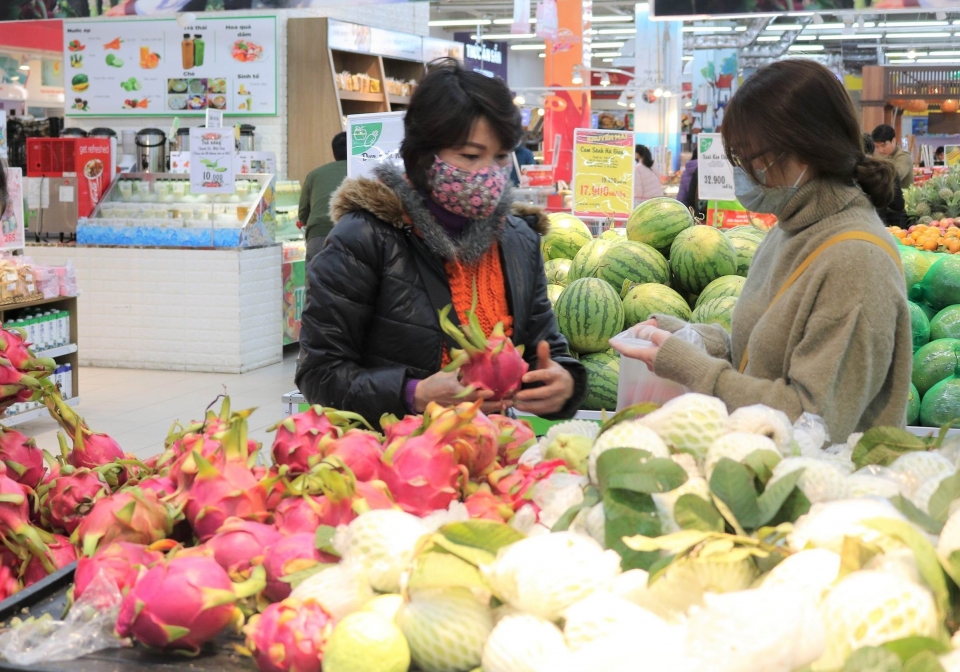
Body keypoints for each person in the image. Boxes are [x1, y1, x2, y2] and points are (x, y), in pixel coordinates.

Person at [611, 59, 912, 442]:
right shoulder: (790, 227)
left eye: (754, 159)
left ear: (807, 148)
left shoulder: (857, 261)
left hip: (826, 487)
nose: (746, 173)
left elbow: (811, 422)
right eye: (739, 159)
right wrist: (694, 339)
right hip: (764, 467)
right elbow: (762, 354)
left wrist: (696, 370)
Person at [296, 59, 586, 426]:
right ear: (423, 153)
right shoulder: (364, 238)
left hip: (493, 453)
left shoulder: (518, 240)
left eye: (499, 157)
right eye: (470, 155)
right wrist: (412, 393)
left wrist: (565, 382)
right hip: (396, 463)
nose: (489, 174)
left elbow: (549, 349)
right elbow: (319, 373)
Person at [299, 132, 348, 267]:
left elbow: (303, 215)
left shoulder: (314, 174)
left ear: (334, 152)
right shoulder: (363, 171)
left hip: (317, 236)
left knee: (315, 284)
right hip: (353, 235)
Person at [863, 133, 906, 228]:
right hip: (876, 227)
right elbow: (898, 205)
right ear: (873, 148)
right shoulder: (886, 169)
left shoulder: (841, 172)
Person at [871, 124, 915, 189]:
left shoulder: (903, 157)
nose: (880, 150)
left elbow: (896, 176)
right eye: (876, 146)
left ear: (893, 141)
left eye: (883, 145)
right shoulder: (878, 156)